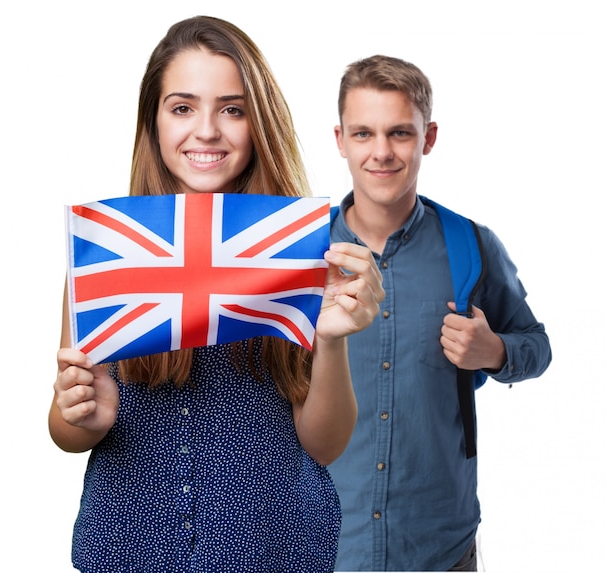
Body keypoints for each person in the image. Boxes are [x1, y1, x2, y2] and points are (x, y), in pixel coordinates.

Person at [48, 17, 384, 573]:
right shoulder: (106, 252)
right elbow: (65, 428)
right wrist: (83, 416)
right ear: (152, 121)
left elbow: (324, 446)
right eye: (182, 107)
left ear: (259, 123)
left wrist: (330, 341)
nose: (206, 130)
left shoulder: (303, 251)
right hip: (128, 550)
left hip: (275, 552)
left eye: (232, 109)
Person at [328, 54, 552, 572]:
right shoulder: (300, 251)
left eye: (400, 133)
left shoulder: (471, 244)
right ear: (340, 140)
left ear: (428, 137)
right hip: (322, 544)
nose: (381, 152)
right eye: (363, 134)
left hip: (438, 547)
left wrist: (495, 351)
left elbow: (536, 345)